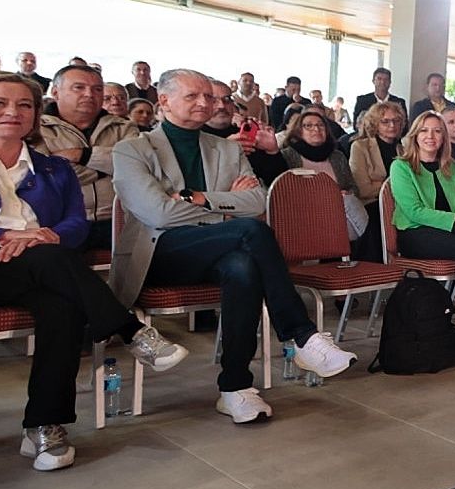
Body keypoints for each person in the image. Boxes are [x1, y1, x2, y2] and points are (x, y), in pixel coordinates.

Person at [0, 71, 187, 470]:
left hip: (42, 268)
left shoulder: (54, 169)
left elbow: (76, 225)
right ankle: (130, 330)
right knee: (48, 259)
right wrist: (3, 237)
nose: (12, 112)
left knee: (61, 305)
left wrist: (43, 236)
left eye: (25, 105)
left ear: (36, 115)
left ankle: (43, 426)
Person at [112, 69, 357, 423]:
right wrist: (225, 208)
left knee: (242, 265)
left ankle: (235, 387)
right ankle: (301, 335)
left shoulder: (224, 148)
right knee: (249, 233)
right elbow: (157, 213)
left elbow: (257, 200)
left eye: (209, 97)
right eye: (192, 96)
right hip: (159, 253)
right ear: (163, 100)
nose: (204, 103)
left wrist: (195, 198)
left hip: (218, 249)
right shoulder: (132, 149)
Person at [387, 113, 455, 356]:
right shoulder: (401, 166)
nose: (431, 136)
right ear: (415, 135)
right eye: (425, 130)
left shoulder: (452, 166)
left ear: (443, 137)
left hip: (449, 231)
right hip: (415, 234)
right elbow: (414, 212)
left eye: (437, 131)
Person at [38, 64, 139, 249]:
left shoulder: (124, 127)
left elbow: (138, 166)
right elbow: (47, 176)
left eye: (97, 89)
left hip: (120, 219)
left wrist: (82, 155)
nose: (89, 94)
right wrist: (109, 168)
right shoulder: (36, 130)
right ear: (55, 92)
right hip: (59, 223)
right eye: (79, 88)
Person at [281, 108, 367, 240]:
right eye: (309, 126)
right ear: (299, 131)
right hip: (304, 215)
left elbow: (353, 187)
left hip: (339, 212)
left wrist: (347, 193)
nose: (316, 129)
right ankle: (368, 247)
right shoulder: (288, 156)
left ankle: (363, 247)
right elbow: (284, 193)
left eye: (321, 125)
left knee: (349, 201)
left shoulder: (337, 156)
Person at [347, 100, 407, 262]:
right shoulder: (360, 147)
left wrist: (381, 184)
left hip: (403, 204)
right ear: (375, 124)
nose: (392, 125)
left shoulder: (405, 149)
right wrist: (398, 186)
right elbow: (363, 188)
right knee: (379, 215)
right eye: (385, 121)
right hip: (372, 204)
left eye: (396, 121)